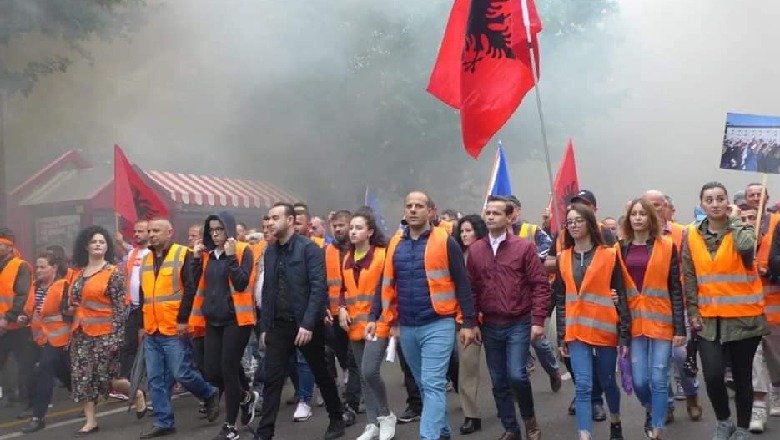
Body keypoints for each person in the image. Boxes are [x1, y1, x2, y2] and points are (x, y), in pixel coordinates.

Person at [371, 190, 476, 440]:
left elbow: (463, 283)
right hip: (407, 326)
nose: (414, 210)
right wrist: (377, 317)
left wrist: (468, 322)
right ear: (404, 211)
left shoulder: (445, 240)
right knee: (422, 383)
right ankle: (442, 431)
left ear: (431, 211)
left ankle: (429, 436)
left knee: (432, 383)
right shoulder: (395, 243)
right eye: (409, 206)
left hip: (439, 323)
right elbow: (384, 282)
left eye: (419, 205)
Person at [683, 182, 768, 440]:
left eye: (721, 198)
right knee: (712, 374)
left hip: (744, 319)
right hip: (709, 319)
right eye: (710, 199)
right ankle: (723, 421)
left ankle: (742, 428)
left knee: (742, 377)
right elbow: (689, 273)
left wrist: (735, 220)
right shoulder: (692, 234)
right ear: (702, 204)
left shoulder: (743, 229)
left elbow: (745, 248)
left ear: (728, 202)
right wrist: (693, 310)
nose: (716, 203)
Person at [255, 202, 345, 440]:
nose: (271, 222)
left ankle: (337, 416)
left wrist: (307, 324)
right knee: (272, 379)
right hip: (278, 325)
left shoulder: (309, 249)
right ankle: (264, 433)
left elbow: (318, 289)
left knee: (321, 372)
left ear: (291, 221)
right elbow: (267, 292)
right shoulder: (270, 251)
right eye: (269, 218)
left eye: (276, 218)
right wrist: (265, 327)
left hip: (306, 324)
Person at [466, 196, 551, 440]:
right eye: (488, 212)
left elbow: (540, 285)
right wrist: (471, 323)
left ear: (509, 217)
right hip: (490, 323)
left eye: (496, 212)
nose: (490, 216)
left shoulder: (523, 247)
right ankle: (510, 428)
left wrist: (538, 321)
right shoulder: (476, 250)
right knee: (499, 380)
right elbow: (471, 289)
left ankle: (530, 420)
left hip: (518, 321)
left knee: (516, 374)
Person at [554, 204, 631, 440]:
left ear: (589, 223)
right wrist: (561, 334)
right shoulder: (563, 258)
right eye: (570, 222)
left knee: (608, 382)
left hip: (604, 328)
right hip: (576, 331)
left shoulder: (609, 254)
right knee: (584, 385)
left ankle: (615, 421)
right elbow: (560, 297)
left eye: (579, 220)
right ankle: (584, 434)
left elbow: (622, 293)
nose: (574, 225)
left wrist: (624, 333)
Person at [139, 219, 220, 438]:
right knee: (155, 378)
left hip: (174, 326)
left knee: (181, 373)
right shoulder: (145, 259)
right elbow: (143, 295)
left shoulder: (182, 254)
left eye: (156, 230)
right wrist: (141, 326)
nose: (152, 234)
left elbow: (190, 289)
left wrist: (183, 320)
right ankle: (163, 421)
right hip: (152, 328)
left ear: (169, 232)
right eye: (149, 231)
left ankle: (209, 393)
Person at [68, 225, 146, 435]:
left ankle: (137, 394)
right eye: (94, 241)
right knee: (83, 377)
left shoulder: (113, 273)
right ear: (86, 245)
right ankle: (90, 421)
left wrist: (117, 336)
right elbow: (74, 301)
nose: (97, 245)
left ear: (107, 247)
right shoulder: (78, 273)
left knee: (108, 379)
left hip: (106, 334)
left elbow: (121, 308)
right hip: (81, 334)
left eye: (102, 242)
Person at [619, 198, 686, 440]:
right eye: (633, 214)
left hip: (661, 321)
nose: (637, 218)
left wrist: (680, 328)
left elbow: (675, 289)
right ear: (628, 219)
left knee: (658, 377)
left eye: (642, 214)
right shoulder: (620, 248)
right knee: (639, 381)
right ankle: (651, 407)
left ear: (650, 218)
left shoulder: (667, 246)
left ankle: (657, 427)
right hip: (634, 323)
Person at [190, 211, 258, 440]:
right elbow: (194, 282)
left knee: (228, 369)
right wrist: (196, 259)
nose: (216, 234)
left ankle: (230, 426)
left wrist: (231, 257)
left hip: (236, 319)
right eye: (212, 230)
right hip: (212, 319)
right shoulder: (208, 255)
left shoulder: (242, 250)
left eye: (220, 229)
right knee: (212, 370)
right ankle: (245, 397)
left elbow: (241, 283)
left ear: (228, 229)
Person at [340, 209, 396, 440]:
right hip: (354, 325)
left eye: (358, 227)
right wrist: (341, 307)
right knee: (363, 376)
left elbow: (391, 288)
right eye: (351, 228)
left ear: (370, 231)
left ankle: (386, 415)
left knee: (369, 370)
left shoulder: (383, 256)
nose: (353, 231)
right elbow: (343, 290)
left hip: (379, 322)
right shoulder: (347, 258)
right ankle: (373, 423)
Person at [19, 253, 72, 433]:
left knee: (46, 371)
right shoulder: (36, 286)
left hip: (60, 339)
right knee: (62, 373)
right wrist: (23, 317)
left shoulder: (63, 286)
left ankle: (37, 417)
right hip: (41, 339)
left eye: (43, 267)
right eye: (38, 266)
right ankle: (86, 396)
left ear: (54, 268)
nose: (38, 270)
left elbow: (70, 312)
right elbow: (29, 309)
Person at [452, 215, 488, 435]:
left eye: (469, 230)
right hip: (465, 319)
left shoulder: (488, 252)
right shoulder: (455, 254)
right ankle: (471, 415)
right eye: (462, 231)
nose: (465, 235)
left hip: (492, 317)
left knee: (502, 367)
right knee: (467, 369)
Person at [0, 228, 35, 415]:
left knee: (24, 364)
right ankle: (9, 394)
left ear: (9, 246)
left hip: (18, 325)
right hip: (3, 325)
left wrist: (8, 317)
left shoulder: (20, 266)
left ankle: (28, 401)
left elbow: (22, 296)